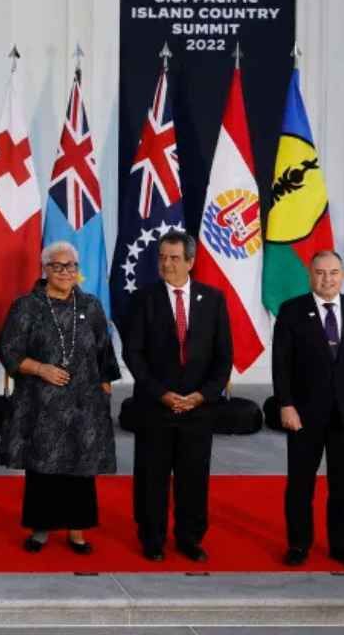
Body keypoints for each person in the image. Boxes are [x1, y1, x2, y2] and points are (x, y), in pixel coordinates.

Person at [0, 240, 119, 555]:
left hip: (83, 406)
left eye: (71, 266)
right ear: (45, 269)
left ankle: (77, 531)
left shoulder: (91, 305)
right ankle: (41, 529)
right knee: (43, 469)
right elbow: (8, 350)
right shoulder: (27, 306)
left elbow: (104, 352)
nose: (65, 272)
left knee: (81, 469)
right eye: (58, 266)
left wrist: (104, 394)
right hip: (41, 405)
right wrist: (41, 369)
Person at [121, 229, 232, 562]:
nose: (166, 264)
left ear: (190, 261)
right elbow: (133, 353)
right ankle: (152, 538)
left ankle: (189, 538)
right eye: (162, 257)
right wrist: (161, 393)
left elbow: (223, 357)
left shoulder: (213, 300)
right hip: (155, 406)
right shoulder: (143, 299)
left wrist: (202, 395)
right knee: (151, 478)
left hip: (198, 408)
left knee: (193, 478)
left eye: (173, 258)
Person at [272, 249, 344, 570]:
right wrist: (286, 405)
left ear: (342, 275)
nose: (327, 279)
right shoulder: (292, 311)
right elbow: (281, 364)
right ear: (310, 275)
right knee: (300, 484)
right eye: (320, 273)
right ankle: (298, 544)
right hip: (303, 415)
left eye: (333, 273)